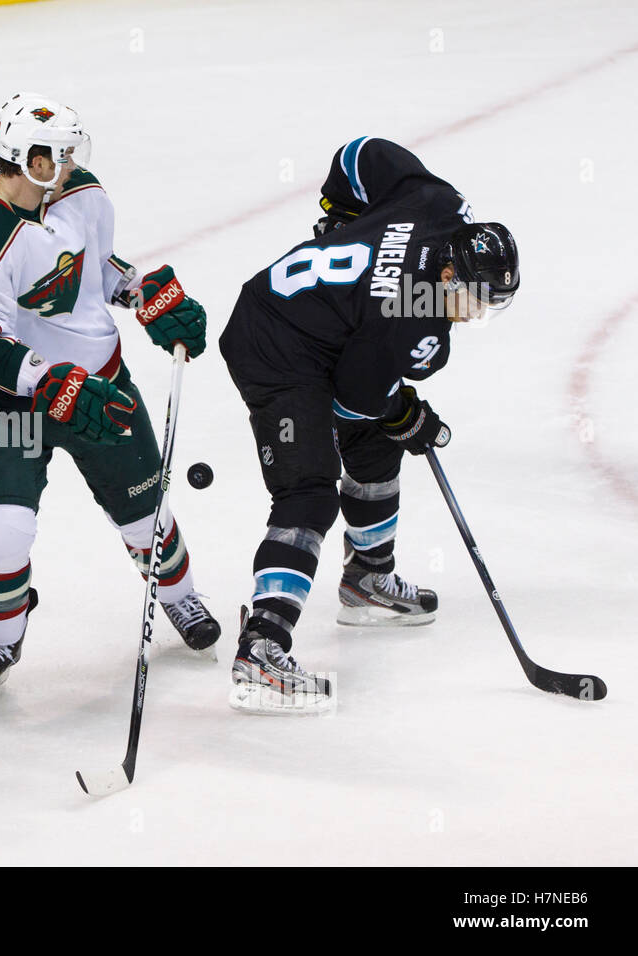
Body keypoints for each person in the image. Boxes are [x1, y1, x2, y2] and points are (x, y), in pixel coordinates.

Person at [0, 92, 220, 703]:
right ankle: (2, 637)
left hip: (100, 385)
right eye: (56, 156)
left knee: (145, 516)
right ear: (24, 157)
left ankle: (181, 598)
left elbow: (90, 268)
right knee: (0, 532)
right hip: (7, 404)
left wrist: (144, 294)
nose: (68, 164)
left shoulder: (82, 193)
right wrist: (45, 379)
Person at [218, 136, 519, 714]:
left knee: (378, 445)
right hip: (273, 345)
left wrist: (340, 212)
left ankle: (367, 580)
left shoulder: (436, 203)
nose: (478, 310)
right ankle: (261, 646)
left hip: (322, 323)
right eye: (475, 296)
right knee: (308, 489)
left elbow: (364, 152)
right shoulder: (410, 322)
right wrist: (405, 413)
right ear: (451, 269)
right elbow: (354, 402)